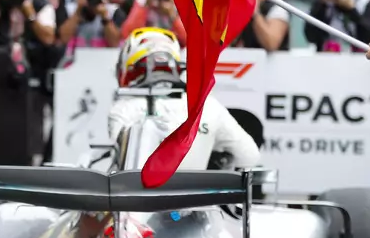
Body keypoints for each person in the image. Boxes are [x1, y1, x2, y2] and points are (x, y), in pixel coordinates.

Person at [107, 28, 261, 171]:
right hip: (199, 199)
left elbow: (125, 169)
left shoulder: (123, 109)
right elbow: (249, 157)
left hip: (141, 198)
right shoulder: (208, 106)